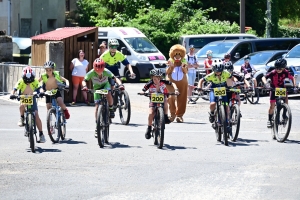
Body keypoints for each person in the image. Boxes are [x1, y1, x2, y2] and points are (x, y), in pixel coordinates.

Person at [82, 58, 123, 137]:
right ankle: (97, 126)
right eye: (97, 69)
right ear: (94, 67)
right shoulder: (91, 73)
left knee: (108, 93)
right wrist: (84, 86)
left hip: (105, 86)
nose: (99, 71)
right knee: (97, 107)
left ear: (103, 68)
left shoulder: (106, 71)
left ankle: (111, 109)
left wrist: (120, 84)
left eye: (101, 69)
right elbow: (84, 80)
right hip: (97, 88)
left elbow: (115, 78)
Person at [139, 69, 179, 139]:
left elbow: (173, 83)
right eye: (154, 79)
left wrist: (176, 90)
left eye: (158, 78)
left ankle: (166, 116)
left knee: (166, 100)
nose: (156, 80)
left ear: (160, 78)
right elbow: (143, 89)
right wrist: (142, 92)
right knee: (151, 113)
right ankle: (149, 127)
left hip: (162, 97)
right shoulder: (150, 83)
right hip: (153, 99)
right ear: (152, 78)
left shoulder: (163, 82)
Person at [10, 66, 46, 143]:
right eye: (27, 81)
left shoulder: (35, 81)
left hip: (32, 97)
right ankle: (22, 117)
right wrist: (12, 94)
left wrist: (42, 92)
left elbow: (40, 88)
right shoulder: (20, 81)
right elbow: (14, 89)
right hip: (24, 97)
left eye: (30, 81)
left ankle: (41, 134)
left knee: (36, 115)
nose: (29, 82)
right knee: (22, 106)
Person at [197, 60, 233, 132]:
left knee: (226, 105)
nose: (218, 73)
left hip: (223, 89)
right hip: (214, 89)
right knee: (213, 103)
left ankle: (227, 122)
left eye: (220, 71)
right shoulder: (211, 75)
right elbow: (201, 80)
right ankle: (212, 113)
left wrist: (230, 86)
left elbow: (230, 78)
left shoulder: (226, 73)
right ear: (213, 70)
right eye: (216, 71)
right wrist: (199, 87)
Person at [262, 58, 296, 128]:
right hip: (273, 88)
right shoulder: (273, 72)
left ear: (284, 68)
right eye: (277, 68)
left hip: (282, 89)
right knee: (272, 106)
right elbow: (263, 77)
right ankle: (269, 119)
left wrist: (294, 86)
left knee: (286, 98)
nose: (278, 70)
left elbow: (292, 78)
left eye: (280, 69)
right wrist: (266, 84)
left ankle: (284, 114)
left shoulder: (286, 72)